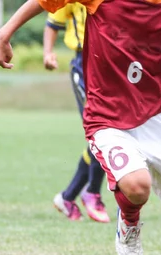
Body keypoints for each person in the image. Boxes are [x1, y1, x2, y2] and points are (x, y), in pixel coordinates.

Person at [0, 0, 161, 255]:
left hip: (157, 114)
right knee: (137, 187)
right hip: (107, 115)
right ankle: (129, 221)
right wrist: (3, 34)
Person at [43, 3, 109, 223]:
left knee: (107, 132)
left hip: (110, 63)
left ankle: (68, 196)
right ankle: (92, 192)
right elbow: (52, 22)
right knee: (101, 133)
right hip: (83, 64)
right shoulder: (71, 2)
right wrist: (48, 53)